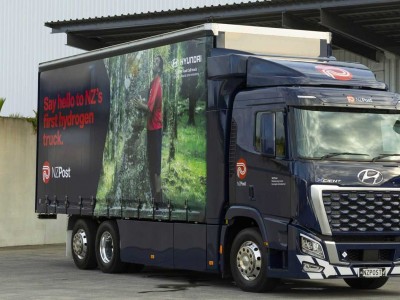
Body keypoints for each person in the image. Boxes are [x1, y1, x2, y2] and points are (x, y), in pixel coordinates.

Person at [134, 55, 164, 207]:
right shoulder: (152, 83)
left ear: (160, 68)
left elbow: (150, 108)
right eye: (154, 61)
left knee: (156, 165)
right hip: (151, 129)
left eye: (157, 62)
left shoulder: (157, 82)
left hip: (156, 128)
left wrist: (140, 105)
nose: (154, 63)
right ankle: (155, 195)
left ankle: (159, 198)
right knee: (151, 164)